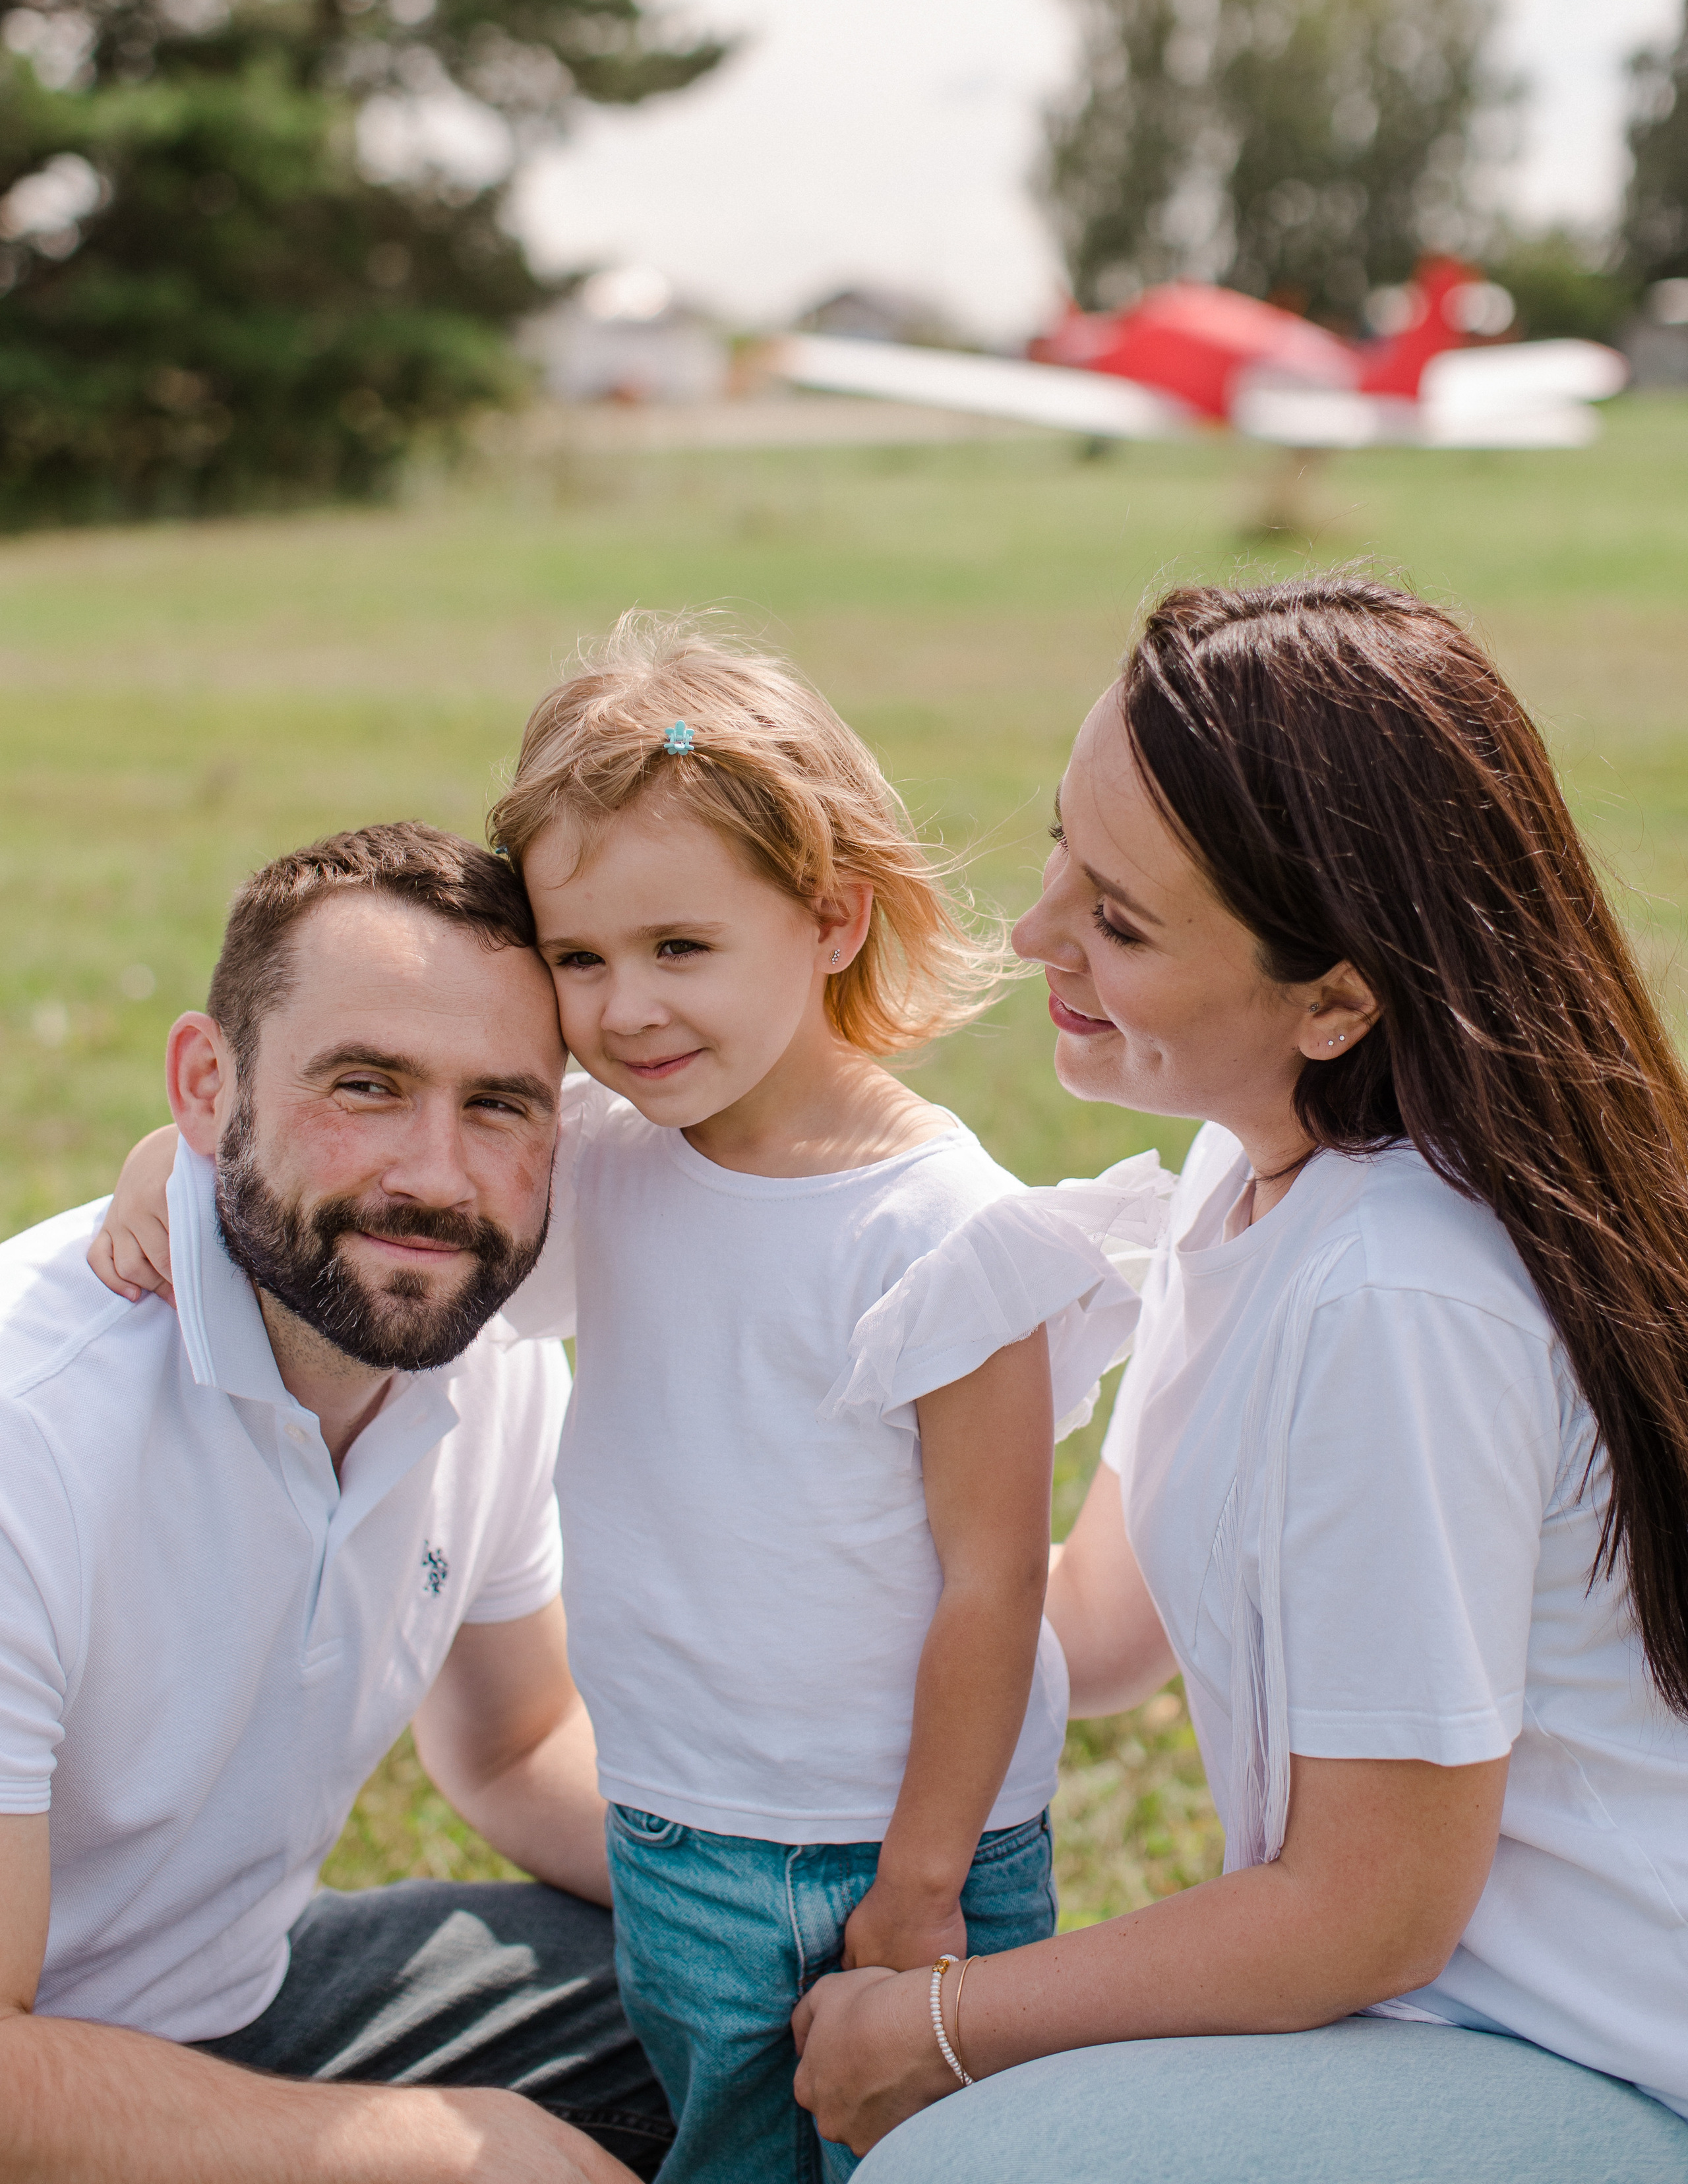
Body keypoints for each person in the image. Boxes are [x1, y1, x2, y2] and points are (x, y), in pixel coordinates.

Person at [97, 615, 1170, 2184]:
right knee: (728, 2151)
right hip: (675, 1840)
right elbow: (362, 1187)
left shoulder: (941, 1233)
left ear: (828, 920)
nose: (626, 1010)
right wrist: (163, 1162)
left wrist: (924, 1882)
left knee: (935, 2162)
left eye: (680, 950)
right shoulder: (601, 1165)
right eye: (579, 962)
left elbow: (995, 1584)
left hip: (910, 1847)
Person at [791, 576, 1688, 2182]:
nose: (1035, 929)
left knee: (957, 2171)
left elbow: (1367, 1911)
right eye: (1067, 844)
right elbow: (1108, 1626)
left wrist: (942, 2026)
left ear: (1337, 996)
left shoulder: (1402, 1299)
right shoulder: (1248, 1173)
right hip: (1436, 2027)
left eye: (1119, 921)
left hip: (1602, 2060)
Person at [3, 823, 673, 2184]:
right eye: (366, 1086)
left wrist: (789, 1908)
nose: (433, 1176)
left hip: (247, 2007)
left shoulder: (492, 1370)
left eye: (499, 1104)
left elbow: (517, 1740)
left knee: (709, 2001)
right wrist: (416, 2147)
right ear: (206, 1085)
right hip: (43, 2081)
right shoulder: (34, 1433)